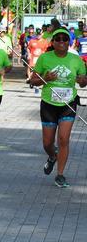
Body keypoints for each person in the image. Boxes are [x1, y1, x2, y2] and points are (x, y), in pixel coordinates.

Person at [29, 26, 87, 188]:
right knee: (47, 143)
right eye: (58, 39)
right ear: (53, 42)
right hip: (49, 104)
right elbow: (32, 81)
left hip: (69, 103)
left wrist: (83, 81)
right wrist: (44, 79)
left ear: (69, 42)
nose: (61, 41)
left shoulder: (76, 60)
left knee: (63, 139)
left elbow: (83, 80)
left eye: (65, 39)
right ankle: (53, 156)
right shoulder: (45, 59)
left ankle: (60, 175)